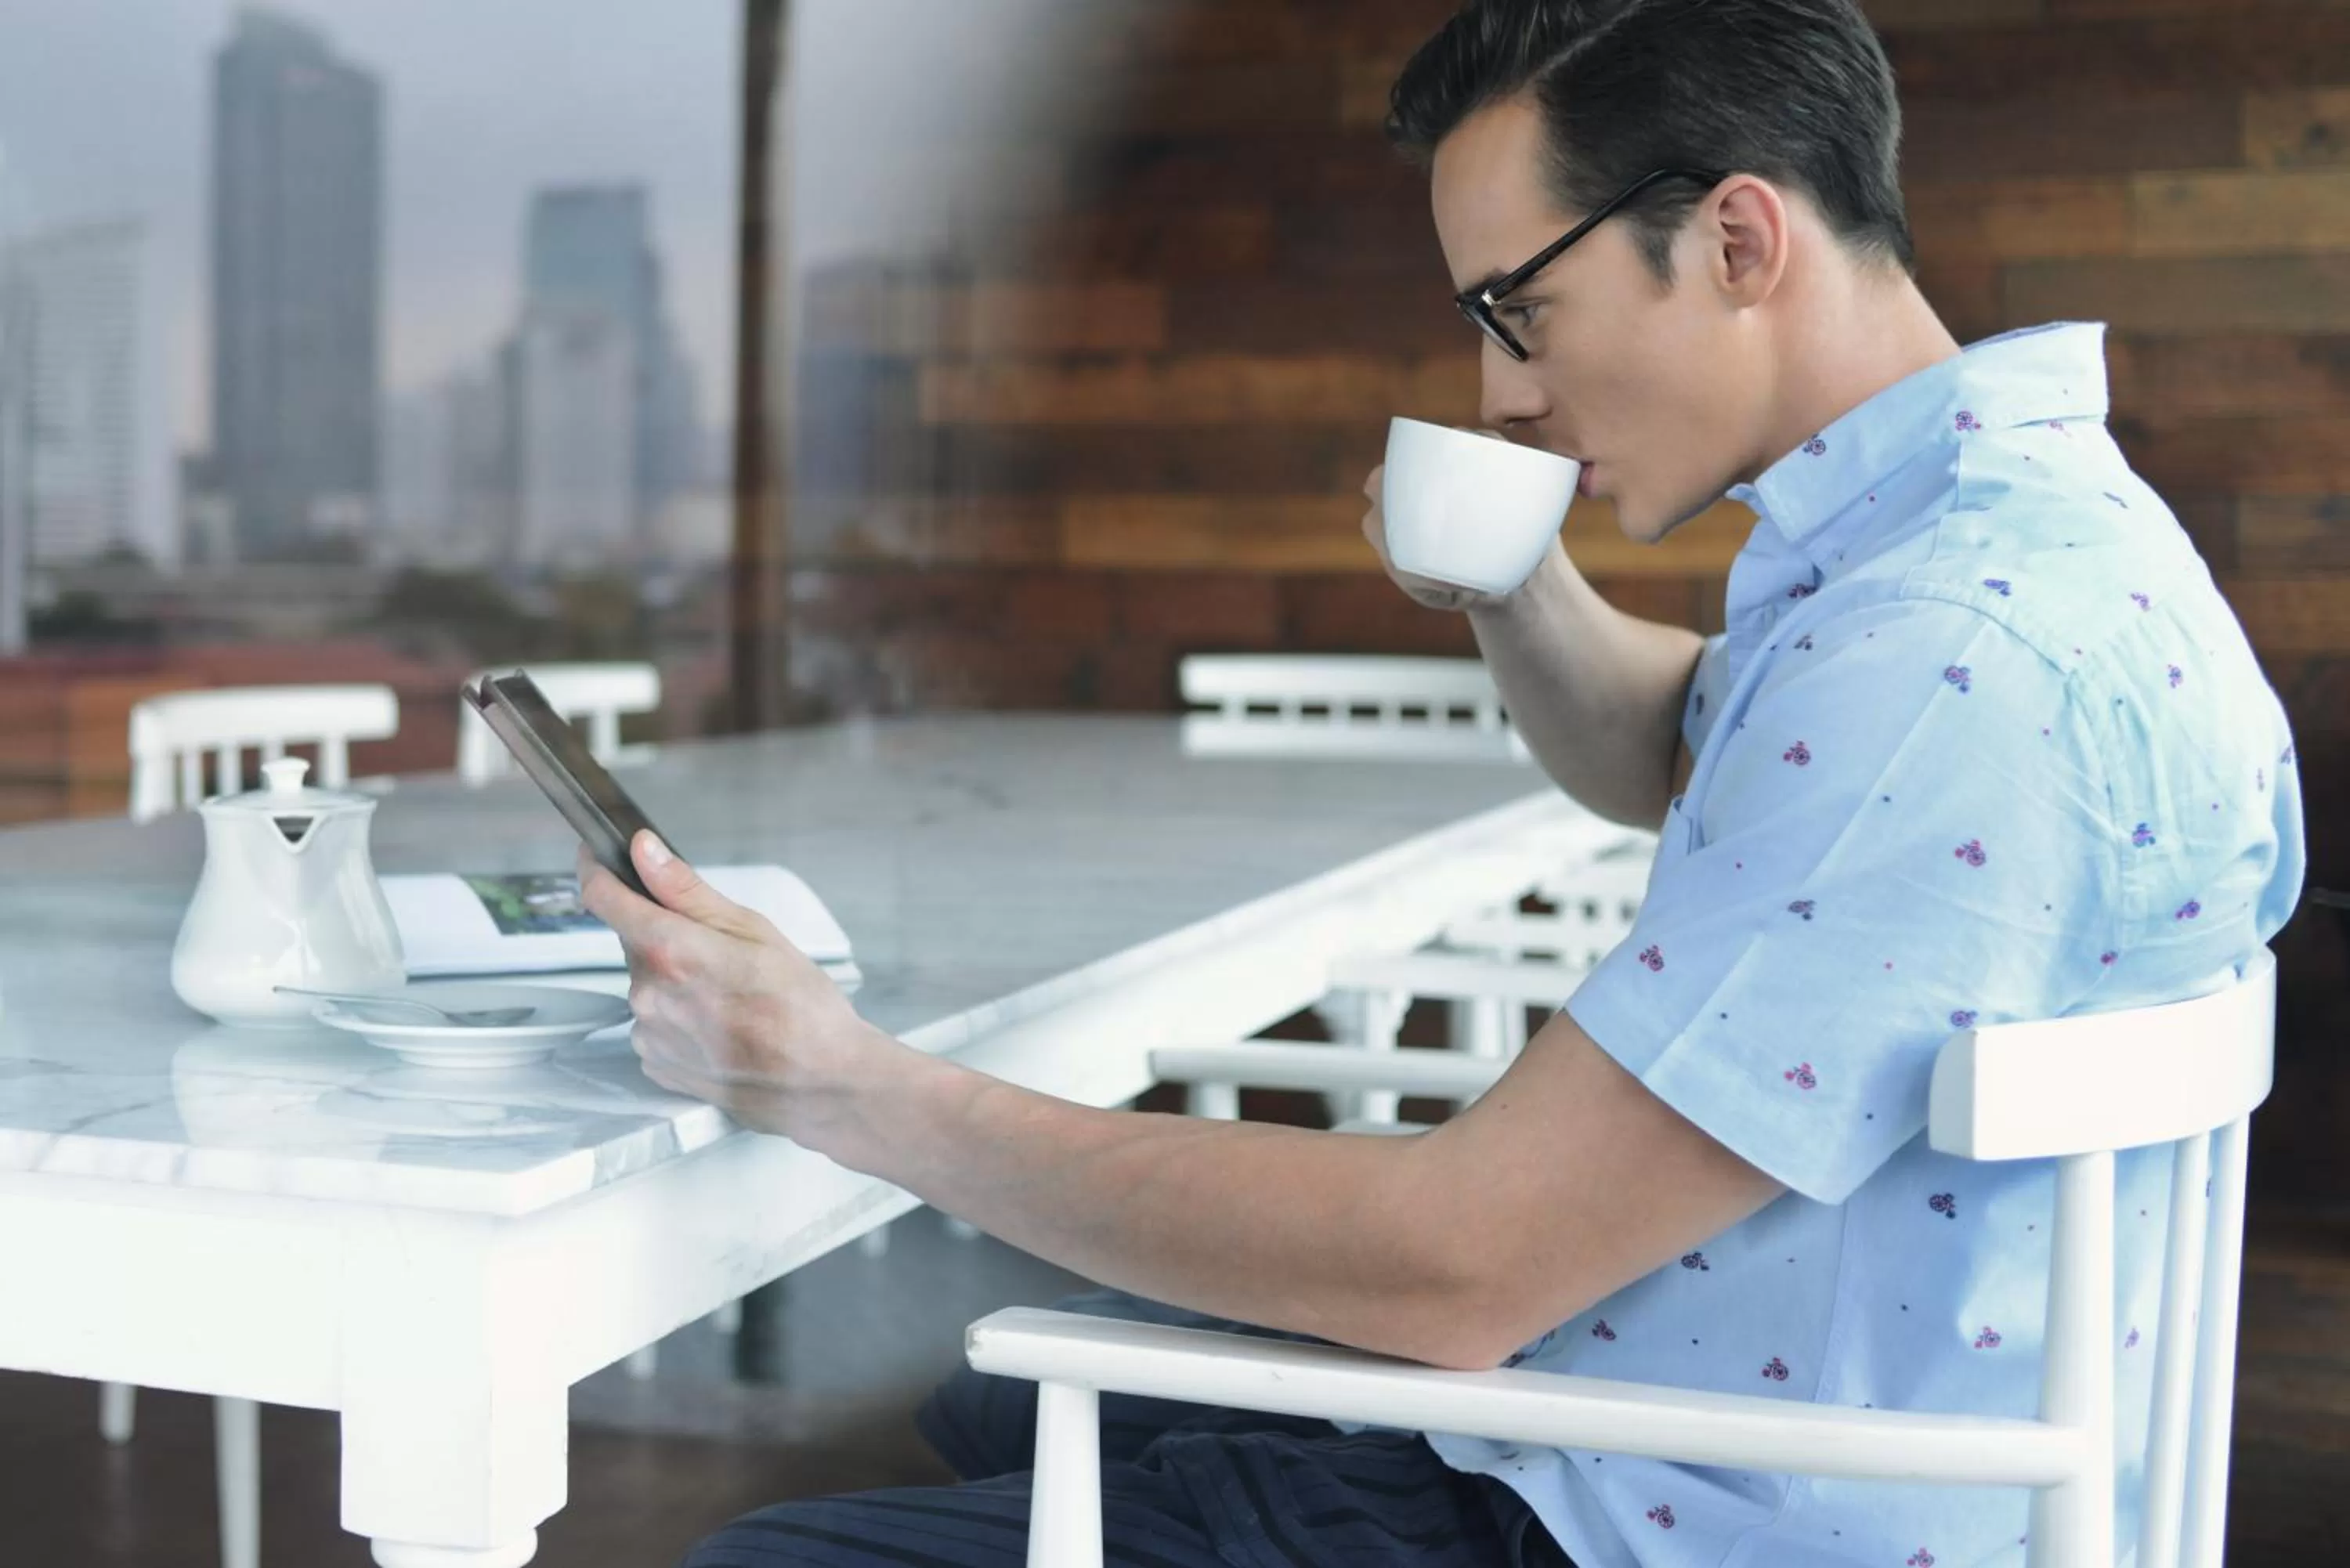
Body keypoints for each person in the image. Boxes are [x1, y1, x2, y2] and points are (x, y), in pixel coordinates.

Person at [581, 1, 2306, 1563]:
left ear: (1736, 239)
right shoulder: (1982, 533)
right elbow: (1683, 748)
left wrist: (844, 1085)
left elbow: (1461, 1264)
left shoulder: (1946, 660)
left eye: (1519, 308)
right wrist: (1511, 578)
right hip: (1756, 1408)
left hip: (1688, 1499)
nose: (1500, 390)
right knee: (1002, 1397)